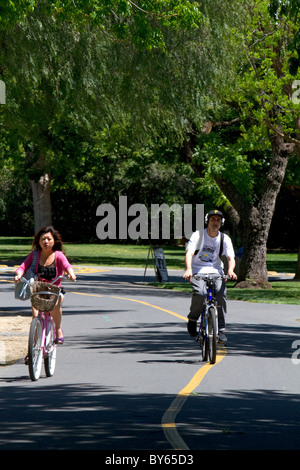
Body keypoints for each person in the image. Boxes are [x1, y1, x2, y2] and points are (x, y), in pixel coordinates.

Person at [14, 226, 76, 346]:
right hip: (38, 291)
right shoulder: (35, 255)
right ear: (38, 241)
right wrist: (18, 275)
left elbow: (67, 266)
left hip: (55, 291)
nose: (46, 242)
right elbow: (23, 266)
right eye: (43, 239)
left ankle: (58, 330)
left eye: (48, 239)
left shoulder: (58, 255)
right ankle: (33, 350)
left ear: (54, 241)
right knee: (35, 317)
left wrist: (71, 274)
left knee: (55, 306)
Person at [183, 210, 237, 343]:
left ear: (221, 223)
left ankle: (221, 329)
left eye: (218, 220)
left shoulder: (224, 238)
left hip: (216, 272)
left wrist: (230, 270)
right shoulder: (198, 235)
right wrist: (189, 269)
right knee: (200, 293)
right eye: (213, 219)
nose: (215, 222)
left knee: (220, 294)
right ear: (208, 220)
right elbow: (189, 254)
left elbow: (231, 257)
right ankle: (193, 319)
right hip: (198, 271)